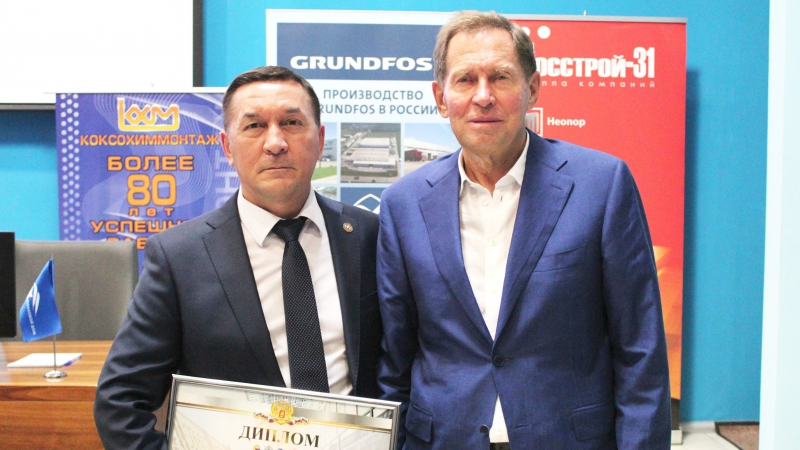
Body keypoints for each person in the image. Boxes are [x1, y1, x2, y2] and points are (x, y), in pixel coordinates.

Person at [377, 11, 670, 450]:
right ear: (441, 98)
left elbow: (640, 350)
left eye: (500, 77)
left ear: (532, 89)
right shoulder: (403, 204)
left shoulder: (601, 185)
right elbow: (395, 361)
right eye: (465, 80)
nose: (483, 96)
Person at [94, 66, 382, 449]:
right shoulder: (179, 257)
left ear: (320, 140)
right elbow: (120, 401)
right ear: (227, 148)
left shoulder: (370, 236)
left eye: (292, 122)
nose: (275, 142)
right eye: (254, 126)